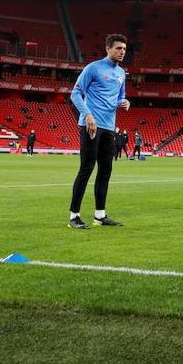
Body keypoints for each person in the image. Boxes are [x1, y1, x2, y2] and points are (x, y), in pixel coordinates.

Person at [67, 34, 131, 229]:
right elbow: (75, 93)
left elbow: (120, 96)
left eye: (124, 49)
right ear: (108, 49)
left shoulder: (121, 74)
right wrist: (87, 115)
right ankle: (74, 217)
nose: (122, 52)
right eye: (118, 48)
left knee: (106, 170)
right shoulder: (93, 68)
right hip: (90, 125)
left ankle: (100, 215)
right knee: (87, 168)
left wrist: (124, 102)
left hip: (109, 128)